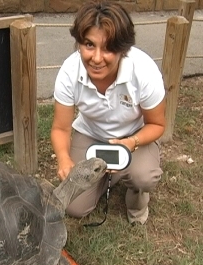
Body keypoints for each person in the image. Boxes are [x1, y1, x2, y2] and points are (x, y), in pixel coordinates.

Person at [51, 0, 166, 225]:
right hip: (91, 134)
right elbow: (60, 128)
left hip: (134, 135)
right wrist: (64, 160)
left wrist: (132, 142)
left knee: (143, 176)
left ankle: (136, 201)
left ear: (123, 48)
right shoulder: (69, 71)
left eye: (108, 48)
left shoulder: (144, 70)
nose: (96, 58)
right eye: (89, 45)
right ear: (79, 43)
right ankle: (106, 175)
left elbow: (157, 125)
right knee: (74, 206)